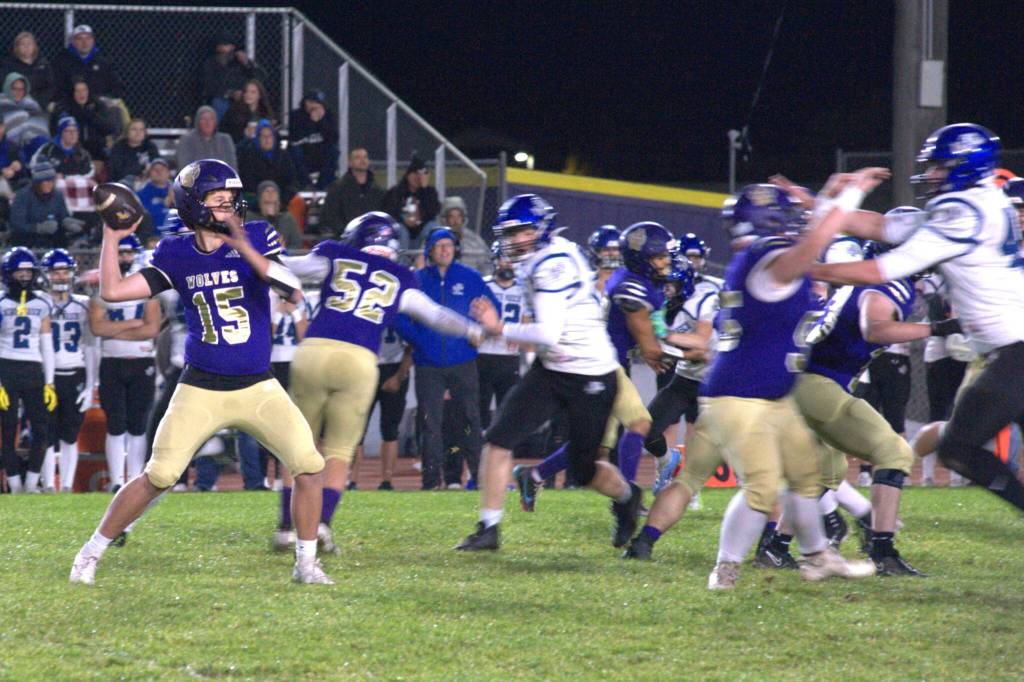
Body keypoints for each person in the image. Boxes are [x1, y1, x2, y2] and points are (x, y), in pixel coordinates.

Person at [70, 158, 333, 585]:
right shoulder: (176, 252)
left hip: (257, 384)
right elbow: (114, 291)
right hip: (201, 386)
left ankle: (305, 564)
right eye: (219, 200)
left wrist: (242, 245)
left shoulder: (258, 237)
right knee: (160, 476)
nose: (229, 207)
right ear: (194, 205)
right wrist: (111, 235)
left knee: (309, 464)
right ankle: (89, 553)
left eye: (232, 200)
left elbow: (293, 290)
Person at [809, 123, 1024, 516]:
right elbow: (881, 226)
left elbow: (879, 269)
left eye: (941, 166)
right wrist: (824, 203)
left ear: (965, 166)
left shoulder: (963, 212)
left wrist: (805, 267)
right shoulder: (980, 201)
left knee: (958, 449)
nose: (932, 174)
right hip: (1010, 349)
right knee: (959, 445)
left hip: (1015, 351)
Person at [687, 180, 881, 588]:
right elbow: (810, 249)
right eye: (789, 218)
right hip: (740, 394)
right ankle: (725, 570)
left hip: (769, 392)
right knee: (761, 487)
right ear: (771, 222)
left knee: (805, 477)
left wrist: (826, 195)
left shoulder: (760, 260)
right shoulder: (768, 258)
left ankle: (817, 557)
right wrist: (849, 199)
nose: (798, 225)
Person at [268, 211, 487, 552]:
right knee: (339, 452)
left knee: (299, 443)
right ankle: (321, 525)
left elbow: (285, 268)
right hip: (359, 360)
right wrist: (471, 329)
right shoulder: (401, 276)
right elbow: (435, 316)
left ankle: (285, 526)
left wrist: (251, 249)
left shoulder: (335, 254)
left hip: (314, 351)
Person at [455, 194, 641, 552]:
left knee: (585, 470)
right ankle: (488, 528)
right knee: (498, 439)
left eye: (523, 231)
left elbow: (547, 333)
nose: (515, 240)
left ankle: (628, 498)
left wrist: (498, 329)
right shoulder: (545, 255)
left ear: (542, 228)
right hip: (552, 368)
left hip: (591, 372)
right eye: (510, 233)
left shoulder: (551, 263)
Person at [393, 227, 498, 490]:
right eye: (439, 245)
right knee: (430, 423)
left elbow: (492, 308)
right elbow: (397, 316)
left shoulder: (471, 277)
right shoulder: (416, 279)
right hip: (428, 364)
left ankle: (479, 479)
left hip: (463, 360)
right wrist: (420, 340)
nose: (445, 249)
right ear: (429, 250)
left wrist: (481, 329)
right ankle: (430, 483)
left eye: (449, 245)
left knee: (472, 421)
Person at [88, 234, 161, 492]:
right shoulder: (103, 289)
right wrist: (133, 324)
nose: (126, 258)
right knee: (116, 423)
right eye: (122, 253)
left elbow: (152, 328)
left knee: (138, 424)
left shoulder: (148, 289)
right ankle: (118, 480)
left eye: (130, 253)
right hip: (112, 362)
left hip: (141, 361)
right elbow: (97, 328)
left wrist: (114, 329)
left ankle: (133, 480)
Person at [38, 249, 96, 493]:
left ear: (72, 274)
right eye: (56, 272)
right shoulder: (38, 303)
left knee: (70, 435)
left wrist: (92, 383)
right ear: (46, 274)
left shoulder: (83, 305)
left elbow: (92, 346)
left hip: (75, 374)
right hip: (44, 377)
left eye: (64, 271)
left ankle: (68, 485)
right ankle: (50, 484)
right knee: (47, 435)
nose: (61, 277)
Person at [0, 247, 54, 493]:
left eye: (27, 272)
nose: (24, 277)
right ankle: (14, 484)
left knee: (41, 428)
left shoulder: (42, 302)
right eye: (18, 272)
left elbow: (46, 344)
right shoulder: (1, 301)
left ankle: (31, 485)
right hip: (6, 368)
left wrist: (49, 381)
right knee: (8, 428)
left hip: (33, 369)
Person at [476, 241, 528, 430]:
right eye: (505, 258)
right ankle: (477, 455)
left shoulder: (524, 288)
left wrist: (520, 339)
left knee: (507, 412)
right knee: (479, 411)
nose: (509, 264)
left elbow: (527, 323)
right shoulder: (482, 285)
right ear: (496, 260)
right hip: (482, 354)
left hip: (508, 357)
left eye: (513, 260)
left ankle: (501, 456)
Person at [199, 34, 268, 122]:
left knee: (252, 99)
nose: (225, 52)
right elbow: (208, 88)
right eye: (222, 47)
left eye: (228, 47)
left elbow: (262, 78)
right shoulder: (210, 64)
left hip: (243, 98)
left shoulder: (240, 63)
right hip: (223, 99)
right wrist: (230, 94)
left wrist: (247, 64)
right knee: (219, 103)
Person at [50, 76, 116, 161]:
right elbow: (55, 131)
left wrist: (90, 115)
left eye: (84, 90)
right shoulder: (62, 108)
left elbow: (110, 128)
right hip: (71, 151)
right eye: (77, 91)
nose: (82, 94)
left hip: (97, 150)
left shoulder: (98, 105)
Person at [53, 25, 124, 102]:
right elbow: (56, 87)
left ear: (93, 40)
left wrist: (106, 98)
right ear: (73, 42)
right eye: (80, 39)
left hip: (99, 104)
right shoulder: (62, 61)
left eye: (88, 38)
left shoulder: (103, 61)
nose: (85, 42)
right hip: (71, 104)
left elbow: (117, 85)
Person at [9, 161, 72, 248]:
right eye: (43, 181)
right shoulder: (23, 195)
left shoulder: (58, 195)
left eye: (50, 181)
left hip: (52, 241)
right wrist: (38, 228)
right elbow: (17, 223)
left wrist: (67, 222)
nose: (47, 184)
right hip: (27, 242)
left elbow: (63, 214)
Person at [321, 147, 384, 233]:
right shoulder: (337, 188)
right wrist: (346, 232)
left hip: (371, 236)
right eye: (358, 157)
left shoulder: (377, 190)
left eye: (365, 157)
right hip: (345, 236)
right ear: (350, 163)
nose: (362, 160)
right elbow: (331, 215)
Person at [237, 119, 297, 203]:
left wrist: (280, 199)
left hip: (281, 199)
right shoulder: (249, 156)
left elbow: (291, 180)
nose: (267, 139)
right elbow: (247, 182)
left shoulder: (283, 155)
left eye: (269, 136)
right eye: (263, 136)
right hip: (256, 199)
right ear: (258, 138)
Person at [288, 91, 337, 191]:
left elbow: (334, 138)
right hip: (303, 151)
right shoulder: (296, 115)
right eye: (314, 102)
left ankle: (322, 186)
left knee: (334, 151)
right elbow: (295, 138)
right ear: (307, 102)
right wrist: (311, 122)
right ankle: (306, 185)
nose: (316, 106)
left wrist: (321, 121)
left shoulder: (327, 115)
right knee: (295, 152)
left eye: (319, 104)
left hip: (320, 152)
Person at [381, 154, 439, 235]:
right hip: (402, 233)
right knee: (400, 229)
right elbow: (389, 212)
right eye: (415, 173)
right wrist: (404, 221)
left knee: (433, 227)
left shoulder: (430, 192)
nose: (418, 177)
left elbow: (433, 212)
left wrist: (425, 189)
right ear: (408, 175)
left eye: (420, 174)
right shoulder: (395, 192)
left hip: (421, 233)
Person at [0, 32, 55, 111]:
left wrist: (40, 101)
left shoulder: (43, 64)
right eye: (23, 44)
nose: (27, 47)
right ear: (17, 47)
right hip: (16, 103)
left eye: (29, 44)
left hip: (41, 102)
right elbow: (6, 86)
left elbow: (51, 86)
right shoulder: (8, 65)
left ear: (34, 46)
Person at [175, 105, 237, 170]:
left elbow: (232, 167)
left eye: (211, 119)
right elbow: (185, 167)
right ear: (197, 122)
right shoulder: (187, 140)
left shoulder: (225, 140)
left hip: (222, 178)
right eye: (203, 119)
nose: (208, 122)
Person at [0, 72, 49, 149]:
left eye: (21, 89)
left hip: (30, 145)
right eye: (14, 89)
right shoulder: (1, 102)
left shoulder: (31, 104)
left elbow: (40, 126)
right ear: (8, 88)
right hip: (5, 146)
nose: (18, 92)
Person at [441, 195, 489, 273]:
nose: (455, 221)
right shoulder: (435, 239)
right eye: (451, 216)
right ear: (445, 219)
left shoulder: (474, 240)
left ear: (463, 218)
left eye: (459, 216)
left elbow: (487, 265)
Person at [220, 79, 276, 144]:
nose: (248, 95)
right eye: (246, 91)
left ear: (260, 95)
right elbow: (224, 133)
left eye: (253, 92)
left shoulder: (265, 113)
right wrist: (243, 133)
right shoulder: (233, 112)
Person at [107, 118, 159, 186]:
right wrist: (141, 172)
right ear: (127, 132)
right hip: (126, 182)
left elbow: (158, 164)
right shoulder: (118, 148)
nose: (138, 133)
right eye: (134, 129)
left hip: (148, 180)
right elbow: (117, 171)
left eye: (141, 129)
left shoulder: (150, 146)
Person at [252, 179, 301, 251]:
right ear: (260, 195)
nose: (271, 194)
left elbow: (296, 242)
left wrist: (285, 250)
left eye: (274, 191)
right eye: (267, 191)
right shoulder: (251, 217)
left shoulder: (287, 218)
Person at [136, 158, 173, 237]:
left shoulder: (178, 189)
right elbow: (141, 211)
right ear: (150, 174)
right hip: (153, 236)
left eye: (162, 169)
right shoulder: (143, 191)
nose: (159, 172)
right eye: (155, 169)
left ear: (168, 173)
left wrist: (174, 202)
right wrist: (163, 204)